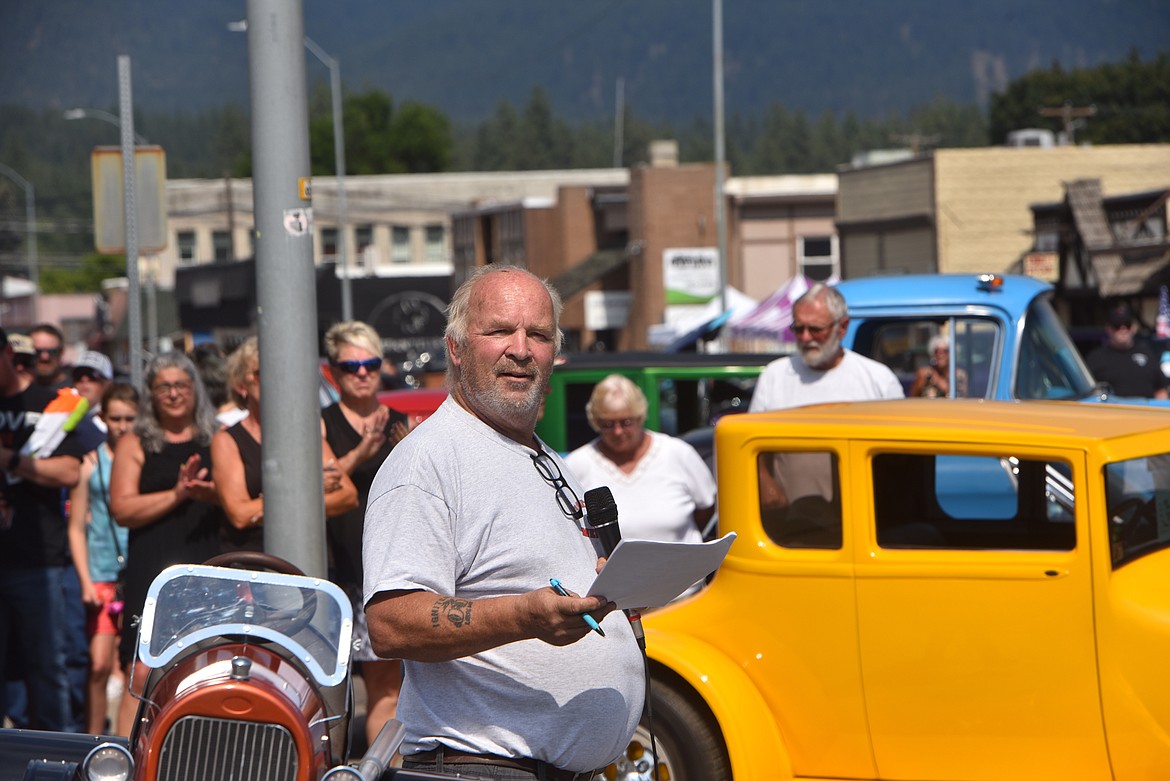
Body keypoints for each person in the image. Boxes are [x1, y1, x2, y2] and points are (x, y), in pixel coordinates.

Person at [364, 265, 644, 778]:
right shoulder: (428, 462)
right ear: (456, 348)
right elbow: (389, 623)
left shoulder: (547, 457)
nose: (521, 349)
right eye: (499, 331)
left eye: (538, 334)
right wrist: (525, 617)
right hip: (480, 768)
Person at [108, 352, 224, 736]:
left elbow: (239, 498)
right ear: (151, 396)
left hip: (208, 562)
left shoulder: (218, 436)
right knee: (141, 672)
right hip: (152, 569)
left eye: (181, 385)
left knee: (206, 667)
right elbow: (122, 508)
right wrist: (177, 494)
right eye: (163, 387)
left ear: (195, 390)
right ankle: (125, 763)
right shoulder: (135, 441)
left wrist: (209, 494)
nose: (173, 394)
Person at [321, 321, 409, 749]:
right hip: (334, 573)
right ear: (334, 372)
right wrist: (360, 452)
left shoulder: (400, 424)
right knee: (329, 695)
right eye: (350, 365)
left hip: (382, 572)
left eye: (370, 363)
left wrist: (408, 452)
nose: (361, 372)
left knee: (386, 690)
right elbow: (324, 486)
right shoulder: (320, 424)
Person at [0, 326, 90, 732]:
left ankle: (59, 759)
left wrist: (10, 460)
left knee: (49, 669)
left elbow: (71, 471)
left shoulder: (50, 403)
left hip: (38, 561)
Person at [211, 336, 356, 552]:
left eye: (279, 372)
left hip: (308, 557)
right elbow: (240, 515)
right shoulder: (227, 440)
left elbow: (347, 496)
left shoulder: (304, 433)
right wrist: (310, 489)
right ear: (242, 385)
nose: (273, 379)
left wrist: (266, 504)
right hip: (254, 566)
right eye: (263, 373)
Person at [565, 374, 715, 547]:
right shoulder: (578, 463)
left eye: (626, 422)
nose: (618, 431)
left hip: (681, 571)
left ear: (640, 416)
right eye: (608, 424)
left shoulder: (677, 452)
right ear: (596, 422)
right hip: (613, 573)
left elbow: (707, 507)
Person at [67, 382, 138, 734]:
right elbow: (76, 527)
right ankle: (93, 739)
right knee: (97, 665)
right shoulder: (91, 462)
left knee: (131, 667)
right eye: (115, 418)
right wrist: (84, 580)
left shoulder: (142, 457)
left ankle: (125, 742)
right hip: (101, 571)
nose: (122, 426)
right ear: (103, 418)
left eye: (129, 418)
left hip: (137, 570)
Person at [750, 283, 905, 413]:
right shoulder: (773, 377)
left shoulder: (878, 379)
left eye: (815, 329)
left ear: (842, 327)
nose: (805, 337)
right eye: (798, 329)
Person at [1085, 303, 1170, 399]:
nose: (1123, 329)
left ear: (1133, 328)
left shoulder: (1148, 353)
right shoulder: (1095, 358)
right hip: (1110, 411)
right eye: (1117, 325)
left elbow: (1160, 391)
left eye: (1127, 325)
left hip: (1146, 411)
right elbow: (1086, 393)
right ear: (1108, 329)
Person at [910, 334, 968, 398]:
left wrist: (938, 379)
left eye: (945, 351)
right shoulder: (924, 374)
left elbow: (961, 399)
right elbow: (913, 397)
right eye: (937, 351)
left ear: (951, 353)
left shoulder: (959, 375)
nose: (940, 355)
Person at [29, 323, 69, 390]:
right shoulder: (17, 389)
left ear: (61, 353)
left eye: (52, 352)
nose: (45, 357)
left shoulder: (76, 390)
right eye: (37, 351)